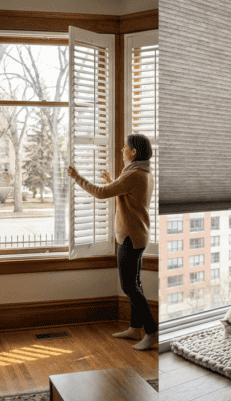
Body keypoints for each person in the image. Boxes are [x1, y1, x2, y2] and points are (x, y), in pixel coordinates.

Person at [68, 134, 157, 350]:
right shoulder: (142, 172)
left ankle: (152, 332)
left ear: (133, 152)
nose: (121, 150)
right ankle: (136, 329)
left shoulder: (134, 174)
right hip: (137, 235)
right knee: (135, 284)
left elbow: (100, 193)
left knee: (129, 286)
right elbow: (129, 196)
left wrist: (77, 177)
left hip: (130, 237)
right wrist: (112, 182)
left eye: (124, 147)